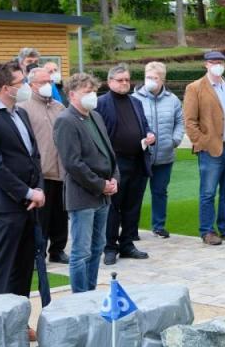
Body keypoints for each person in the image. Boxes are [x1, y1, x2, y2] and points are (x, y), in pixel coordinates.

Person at [0, 61, 45, 297]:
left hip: (28, 206)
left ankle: (18, 323)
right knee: (1, 268)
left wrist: (39, 189)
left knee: (23, 269)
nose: (25, 86)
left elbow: (33, 156)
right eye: (20, 82)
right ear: (5, 87)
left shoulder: (20, 112)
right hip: (2, 207)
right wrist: (28, 192)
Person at [53, 73, 118, 293]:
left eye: (93, 91)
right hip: (83, 195)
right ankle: (79, 295)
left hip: (103, 194)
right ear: (72, 95)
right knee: (81, 251)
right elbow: (73, 163)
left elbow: (109, 153)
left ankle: (90, 290)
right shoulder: (65, 120)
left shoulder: (95, 117)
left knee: (97, 246)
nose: (92, 96)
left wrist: (114, 179)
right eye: (86, 92)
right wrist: (100, 184)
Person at [183, 51, 225, 246]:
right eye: (213, 62)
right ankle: (207, 230)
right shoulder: (195, 88)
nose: (217, 65)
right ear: (206, 65)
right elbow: (189, 121)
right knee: (208, 192)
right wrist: (202, 142)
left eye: (220, 62)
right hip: (211, 149)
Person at [96, 65, 155, 265]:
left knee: (133, 206)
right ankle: (110, 247)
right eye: (120, 80)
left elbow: (144, 125)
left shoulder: (135, 102)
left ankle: (127, 243)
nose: (124, 83)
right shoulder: (101, 103)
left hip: (138, 160)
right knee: (114, 207)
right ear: (110, 81)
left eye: (127, 80)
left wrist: (149, 135)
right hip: (116, 162)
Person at [19, 67, 69, 263]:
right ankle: (36, 253)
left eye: (49, 81)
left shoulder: (59, 107)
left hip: (61, 170)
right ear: (31, 85)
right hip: (40, 172)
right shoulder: (23, 108)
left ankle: (58, 250)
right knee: (41, 217)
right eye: (42, 82)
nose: (47, 85)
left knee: (60, 214)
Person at [134, 62, 184, 239]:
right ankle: (132, 229)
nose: (151, 81)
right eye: (148, 77)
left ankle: (158, 225)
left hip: (164, 155)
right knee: (136, 192)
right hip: (140, 156)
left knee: (160, 191)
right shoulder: (135, 98)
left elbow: (180, 121)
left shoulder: (172, 100)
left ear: (162, 79)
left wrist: (174, 140)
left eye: (155, 78)